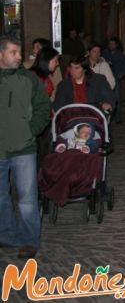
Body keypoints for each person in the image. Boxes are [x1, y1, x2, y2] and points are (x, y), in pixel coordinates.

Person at [0, 36, 51, 259]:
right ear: (1, 54)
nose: (20, 57)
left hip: (24, 148)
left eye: (19, 52)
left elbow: (43, 107)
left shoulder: (28, 79)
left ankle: (29, 240)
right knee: (0, 198)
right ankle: (8, 236)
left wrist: (30, 130)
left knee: (27, 198)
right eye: (13, 52)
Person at [102, 37, 125, 123]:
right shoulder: (105, 53)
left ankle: (118, 117)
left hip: (115, 78)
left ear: (116, 45)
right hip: (105, 79)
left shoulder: (120, 54)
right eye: (110, 44)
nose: (111, 46)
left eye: (113, 44)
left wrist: (121, 74)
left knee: (117, 98)